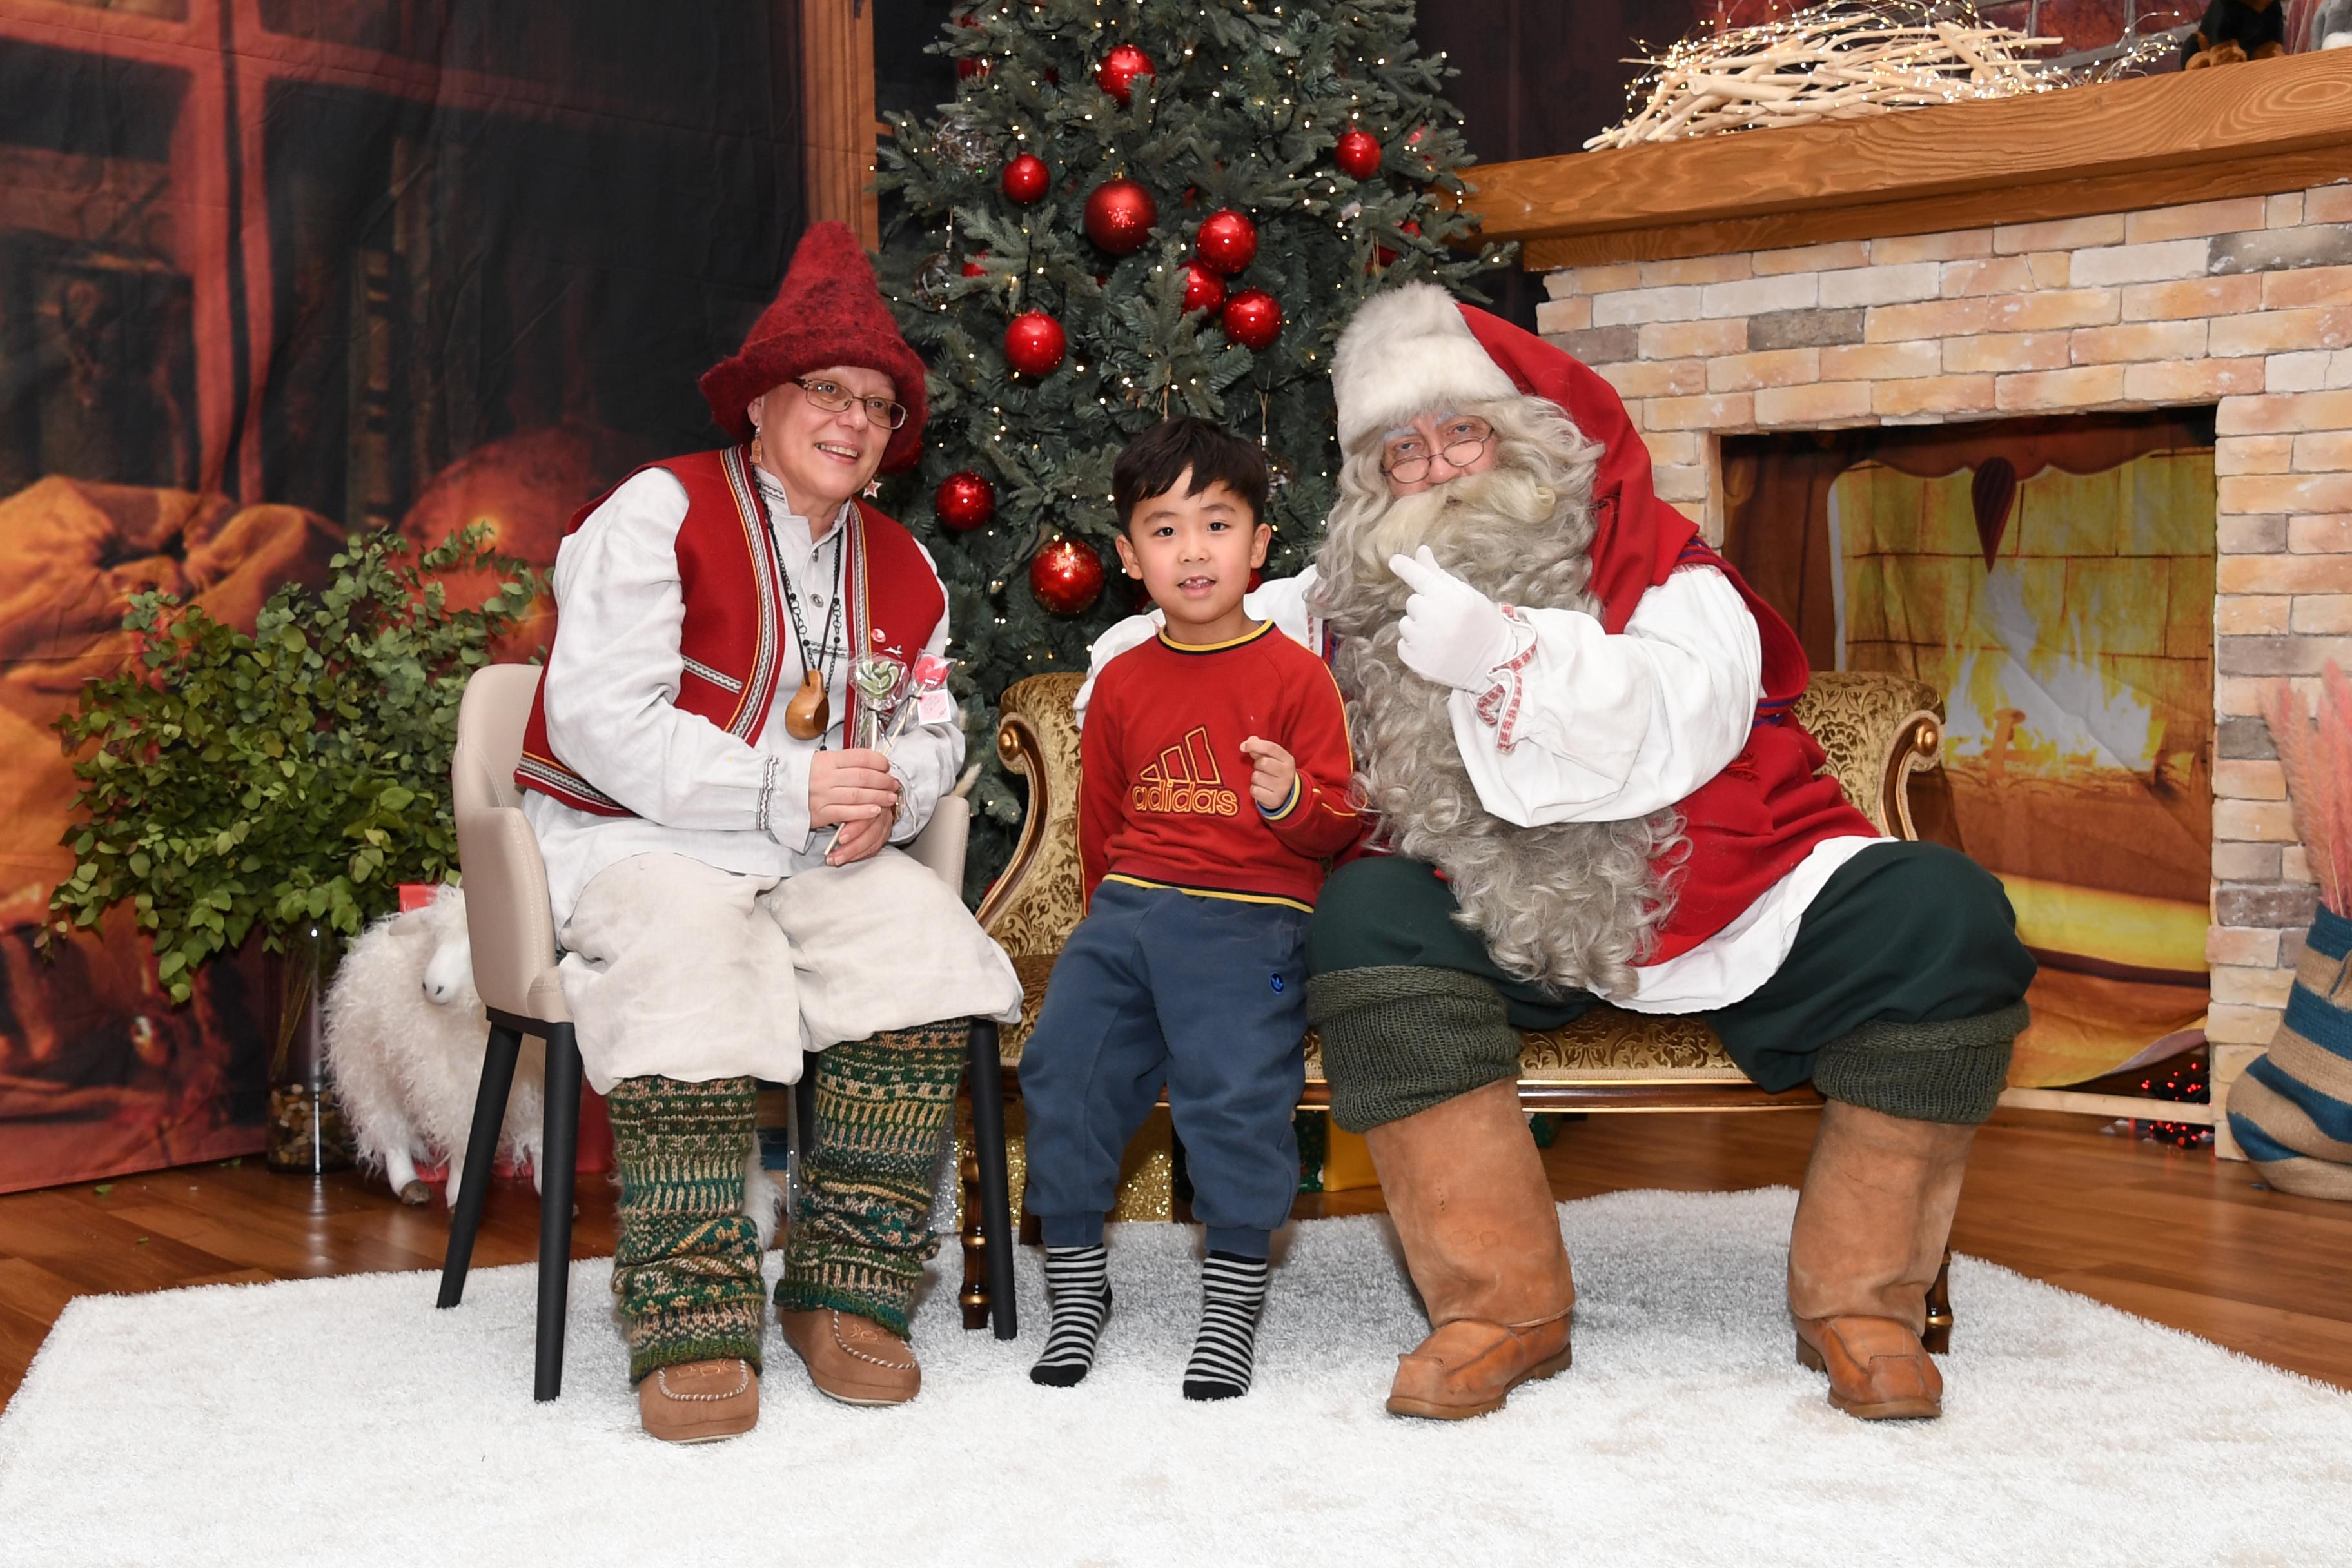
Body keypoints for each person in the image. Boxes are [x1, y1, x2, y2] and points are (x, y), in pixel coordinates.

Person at [1080, 283, 2034, 1424]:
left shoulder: (1662, 566)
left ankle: (1863, 1303)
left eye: (1463, 434)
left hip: (1719, 893)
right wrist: (1139, 665)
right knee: (1369, 913)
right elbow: (1184, 626)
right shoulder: (1341, 598)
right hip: (1490, 920)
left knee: (1946, 912)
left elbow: (1694, 706)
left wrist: (1507, 653)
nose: (1437, 471)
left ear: (1525, 438)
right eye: (1404, 453)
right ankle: (1499, 1306)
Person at [516, 223, 1021, 1441]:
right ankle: (691, 1310)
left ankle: (846, 1289)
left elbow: (938, 726)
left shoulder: (905, 566)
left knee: (919, 949)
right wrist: (785, 790)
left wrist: (892, 788)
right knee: (687, 951)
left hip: (810, 858)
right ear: (762, 403)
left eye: (879, 406)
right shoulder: (657, 510)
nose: (853, 421)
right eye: (826, 391)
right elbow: (598, 721)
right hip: (636, 835)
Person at [1021, 418, 1361, 1401]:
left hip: (1250, 919)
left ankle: (1230, 1305)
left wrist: (1290, 797)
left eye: (1217, 524)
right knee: (1064, 1072)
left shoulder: (1298, 678)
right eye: (1164, 531)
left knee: (1233, 1096)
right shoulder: (1123, 679)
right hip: (1127, 914)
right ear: (1131, 558)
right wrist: (1101, 926)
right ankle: (1079, 1291)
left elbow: (1338, 823)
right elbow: (1102, 819)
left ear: (1259, 546)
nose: (1193, 550)